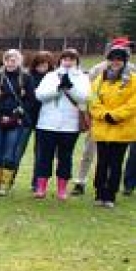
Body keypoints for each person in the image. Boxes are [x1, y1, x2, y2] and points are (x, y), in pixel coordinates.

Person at [33, 48, 91, 200]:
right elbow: (39, 95)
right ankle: (40, 187)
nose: (68, 62)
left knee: (65, 157)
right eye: (65, 59)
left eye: (71, 59)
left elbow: (84, 97)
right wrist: (57, 89)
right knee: (44, 157)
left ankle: (62, 189)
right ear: (60, 60)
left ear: (76, 61)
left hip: (69, 126)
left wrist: (70, 88)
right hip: (47, 124)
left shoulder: (82, 77)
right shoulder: (51, 76)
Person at [88, 39, 136, 207]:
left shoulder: (134, 80)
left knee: (116, 163)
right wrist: (103, 114)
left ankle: (110, 195)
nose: (116, 62)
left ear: (125, 61)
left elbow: (134, 104)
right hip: (102, 128)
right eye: (113, 59)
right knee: (102, 162)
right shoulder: (99, 80)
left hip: (122, 129)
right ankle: (99, 193)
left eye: (119, 59)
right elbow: (92, 100)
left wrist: (116, 115)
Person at [0, 49, 30, 195]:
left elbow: (30, 100)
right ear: (4, 61)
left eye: (14, 59)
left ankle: (5, 184)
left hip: (16, 122)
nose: (11, 62)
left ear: (19, 61)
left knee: (10, 153)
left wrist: (16, 114)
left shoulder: (26, 79)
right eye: (8, 59)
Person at [23, 51, 53, 191]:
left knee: (40, 152)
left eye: (45, 64)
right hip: (28, 117)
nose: (42, 67)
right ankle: (8, 179)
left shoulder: (53, 79)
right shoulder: (27, 78)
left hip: (45, 119)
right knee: (19, 149)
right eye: (39, 64)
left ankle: (36, 182)